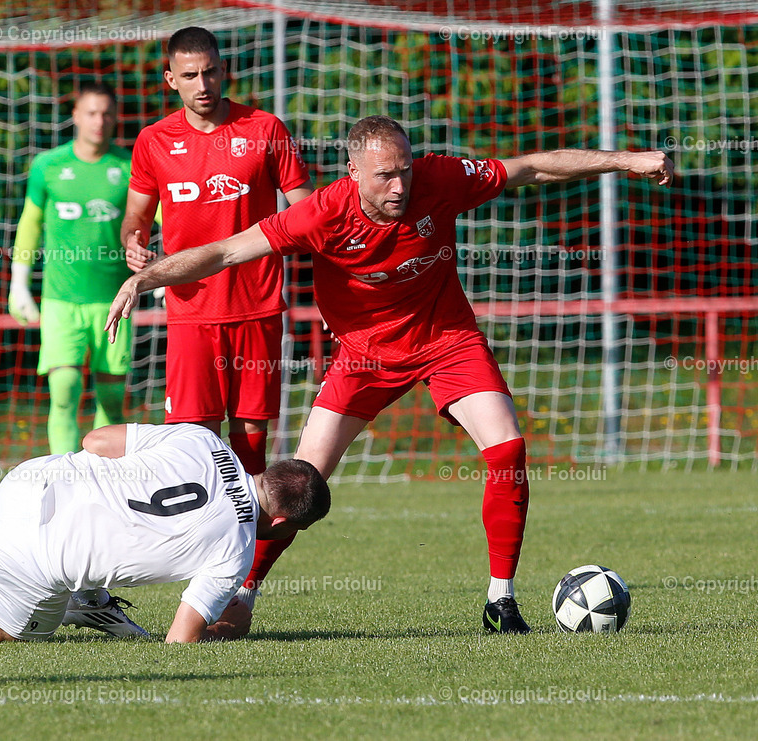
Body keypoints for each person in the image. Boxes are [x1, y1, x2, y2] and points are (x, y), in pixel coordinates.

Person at [106, 115, 676, 634]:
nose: (400, 186)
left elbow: (529, 167)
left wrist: (628, 160)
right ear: (353, 172)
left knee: (507, 447)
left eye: (404, 171)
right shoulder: (321, 212)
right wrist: (145, 278)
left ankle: (500, 601)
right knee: (298, 487)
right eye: (385, 176)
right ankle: (241, 591)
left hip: (446, 339)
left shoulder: (441, 179)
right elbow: (228, 251)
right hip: (363, 357)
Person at [0, 423, 330, 644]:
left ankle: (87, 598)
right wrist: (229, 630)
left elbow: (95, 440)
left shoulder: (202, 439)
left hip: (27, 480)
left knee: (98, 502)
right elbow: (178, 642)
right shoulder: (235, 551)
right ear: (282, 523)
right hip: (34, 557)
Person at [120, 27, 315, 611]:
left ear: (223, 70)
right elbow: (135, 222)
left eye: (212, 71)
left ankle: (240, 587)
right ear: (170, 79)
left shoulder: (264, 129)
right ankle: (195, 571)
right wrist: (136, 248)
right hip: (190, 318)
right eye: (191, 74)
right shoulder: (153, 141)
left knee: (252, 453)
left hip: (257, 311)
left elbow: (306, 212)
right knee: (192, 451)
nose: (204, 84)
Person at [8, 82, 133, 454]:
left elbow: (164, 218)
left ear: (115, 119)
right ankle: (62, 476)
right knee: (64, 390)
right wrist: (18, 284)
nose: (100, 121)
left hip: (114, 301)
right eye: (91, 113)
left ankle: (104, 479)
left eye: (107, 113)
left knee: (111, 398)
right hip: (60, 299)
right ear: (76, 116)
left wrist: (165, 270)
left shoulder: (128, 167)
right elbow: (29, 225)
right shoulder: (47, 166)